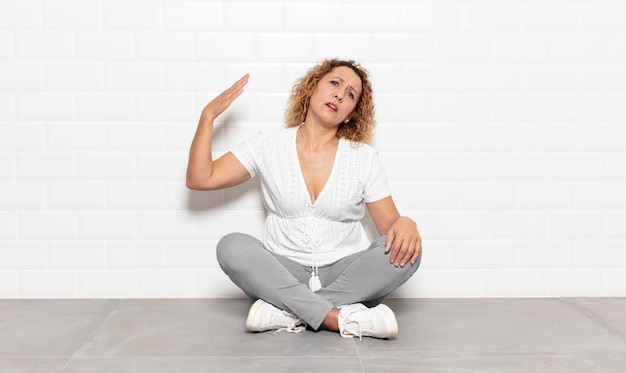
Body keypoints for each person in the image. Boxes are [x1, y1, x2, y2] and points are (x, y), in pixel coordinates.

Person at [186, 59, 422, 339]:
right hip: (284, 272)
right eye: (334, 83)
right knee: (231, 246)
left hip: (345, 276)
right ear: (312, 88)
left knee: (408, 255)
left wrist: (406, 223)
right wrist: (207, 117)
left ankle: (287, 311)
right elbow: (200, 178)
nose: (339, 94)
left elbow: (390, 228)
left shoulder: (363, 158)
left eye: (350, 95)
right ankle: (341, 318)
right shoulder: (268, 145)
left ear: (349, 114)